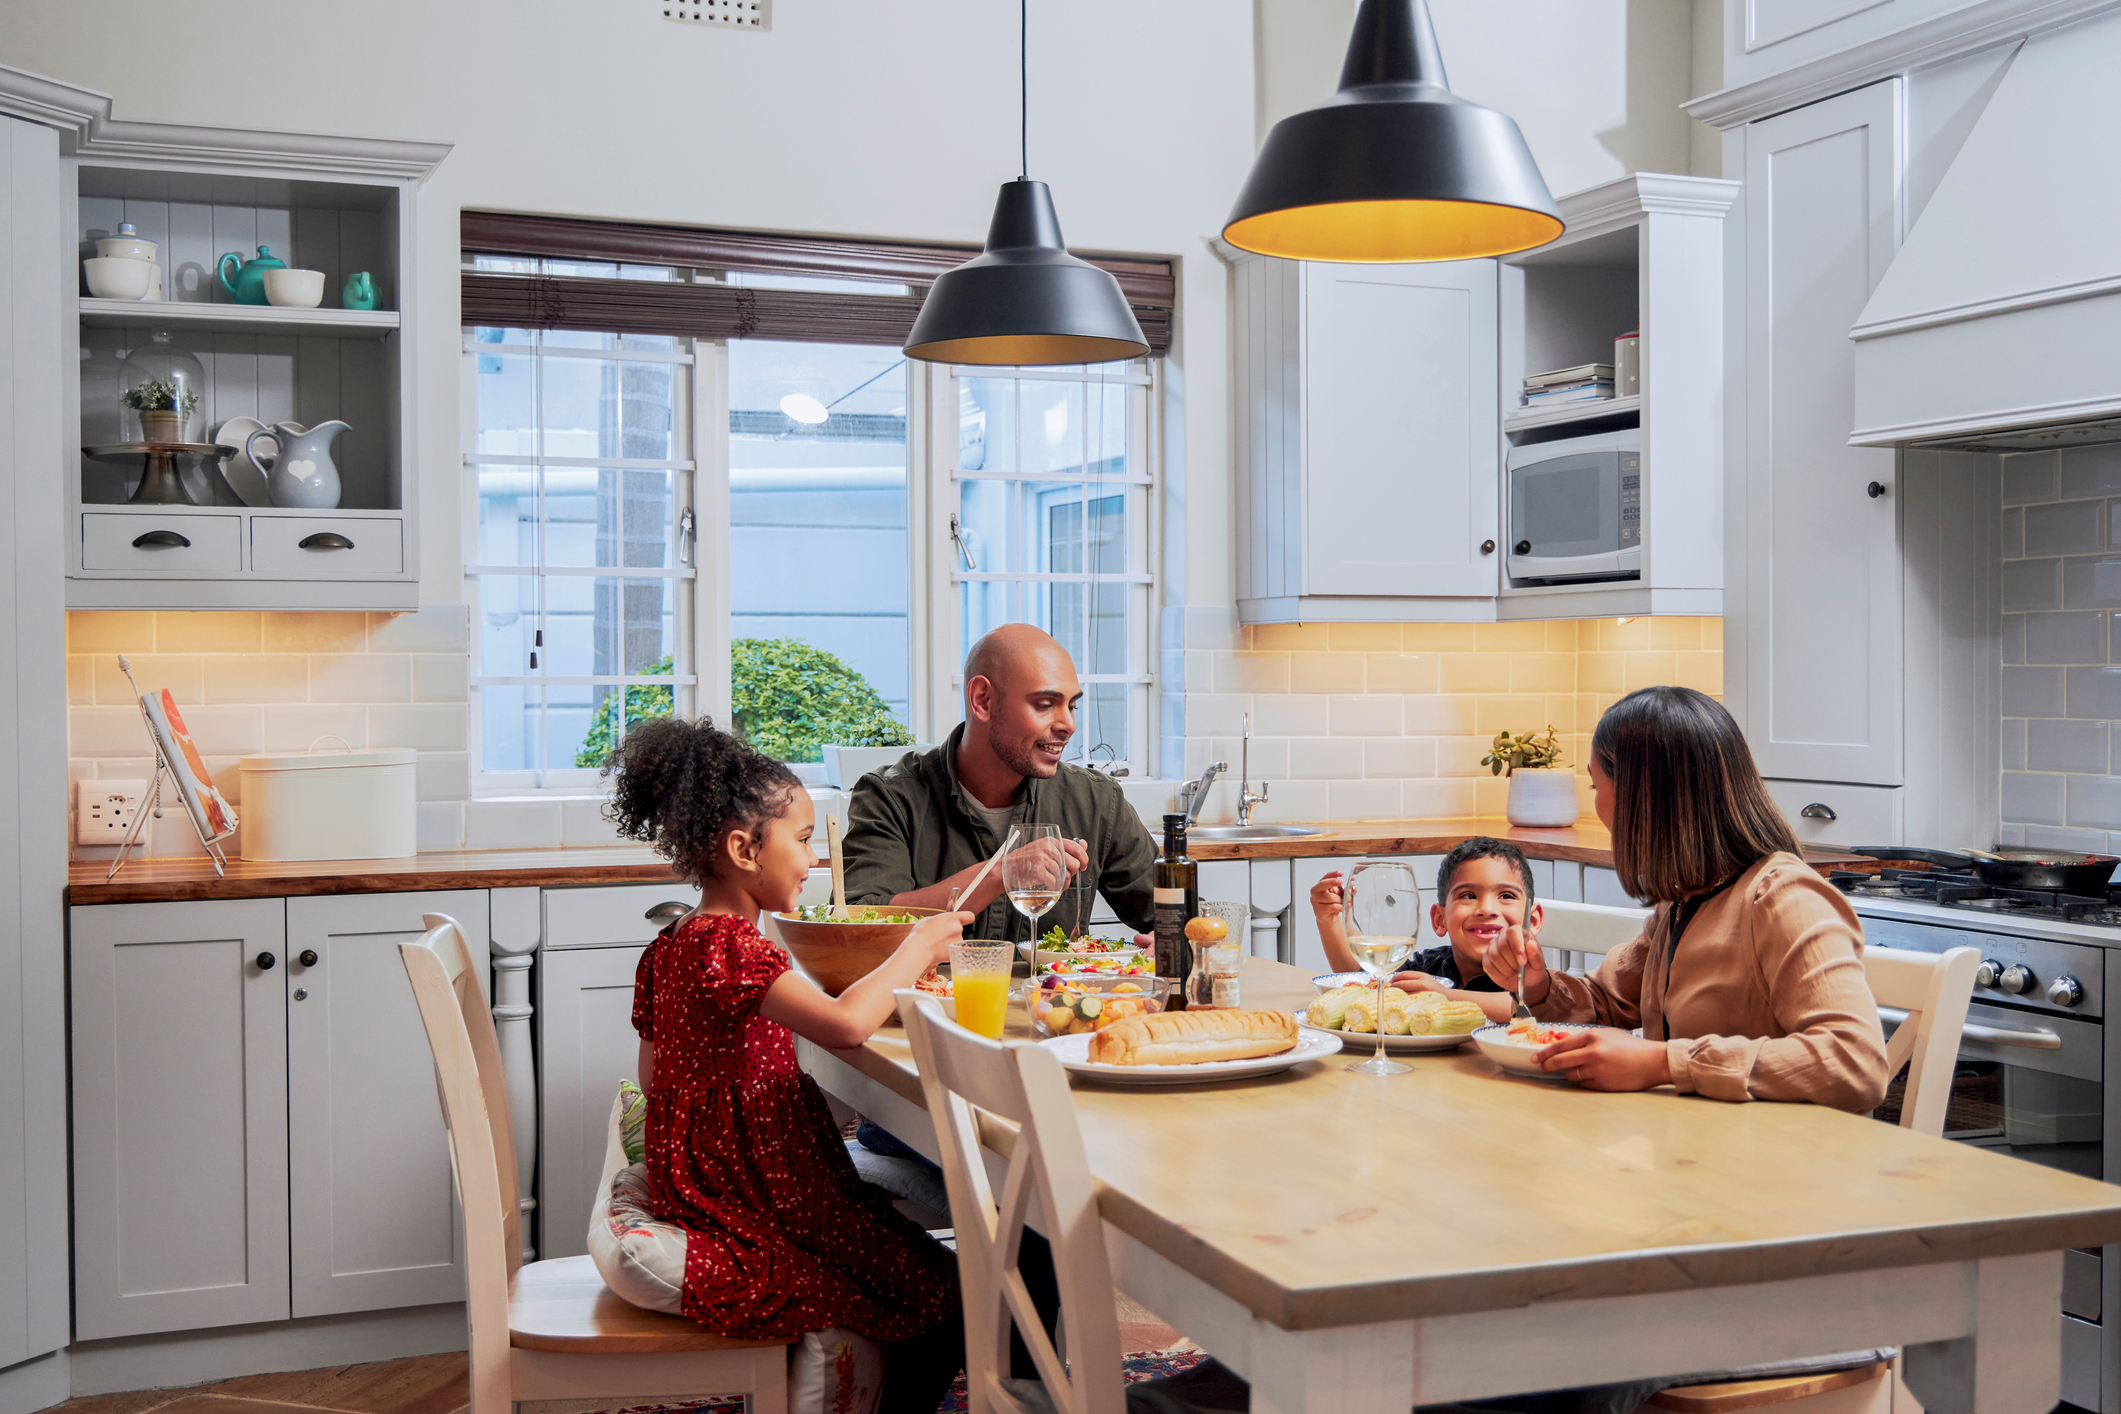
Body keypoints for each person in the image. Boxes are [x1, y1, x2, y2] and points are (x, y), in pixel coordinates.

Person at [602, 715, 978, 1411]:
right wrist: (917, 947)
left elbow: (656, 1080)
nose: (813, 861)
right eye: (803, 841)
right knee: (945, 1292)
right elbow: (841, 1027)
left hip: (715, 1178)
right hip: (755, 1193)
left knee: (909, 1268)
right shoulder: (733, 947)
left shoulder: (675, 940)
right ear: (745, 848)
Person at [1483, 686, 1889, 1111]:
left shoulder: (1784, 899)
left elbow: (1854, 1061)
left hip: (1777, 1163)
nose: (1597, 805)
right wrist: (1539, 984)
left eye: (1594, 785)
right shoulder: (1683, 902)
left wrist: (1663, 1062)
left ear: (1643, 799)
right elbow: (1609, 1001)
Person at [842, 622, 1160, 942]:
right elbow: (856, 927)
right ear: (983, 700)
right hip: (928, 994)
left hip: (1053, 994)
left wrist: (1172, 945)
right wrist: (1001, 873)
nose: (1069, 725)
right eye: (1045, 704)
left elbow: (1181, 918)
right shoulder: (889, 797)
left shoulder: (1097, 800)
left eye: (1071, 705)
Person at [1311, 837, 1537, 1027]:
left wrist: (1445, 996)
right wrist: (1329, 919)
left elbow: (1526, 1007)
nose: (1487, 909)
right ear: (1440, 920)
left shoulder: (1530, 973)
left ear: (1533, 920)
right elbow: (1366, 978)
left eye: (1506, 896)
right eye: (1468, 896)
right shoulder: (1432, 966)